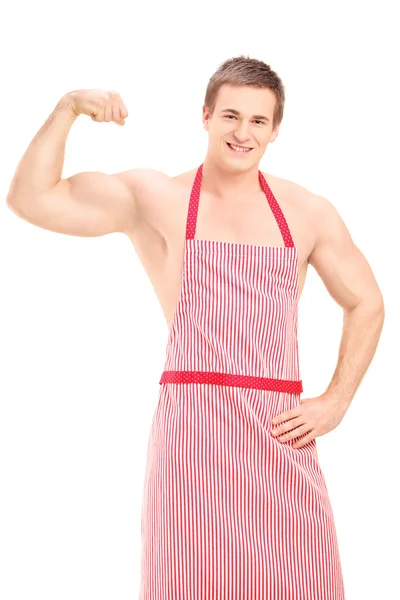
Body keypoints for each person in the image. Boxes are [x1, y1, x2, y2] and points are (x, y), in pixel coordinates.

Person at [6, 55, 384, 599]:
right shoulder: (157, 197)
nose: (242, 132)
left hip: (281, 433)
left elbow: (367, 302)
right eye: (231, 115)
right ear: (205, 115)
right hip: (193, 438)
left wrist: (338, 399)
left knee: (305, 583)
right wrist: (67, 108)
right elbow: (29, 199)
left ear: (275, 130)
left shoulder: (308, 212)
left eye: (258, 121)